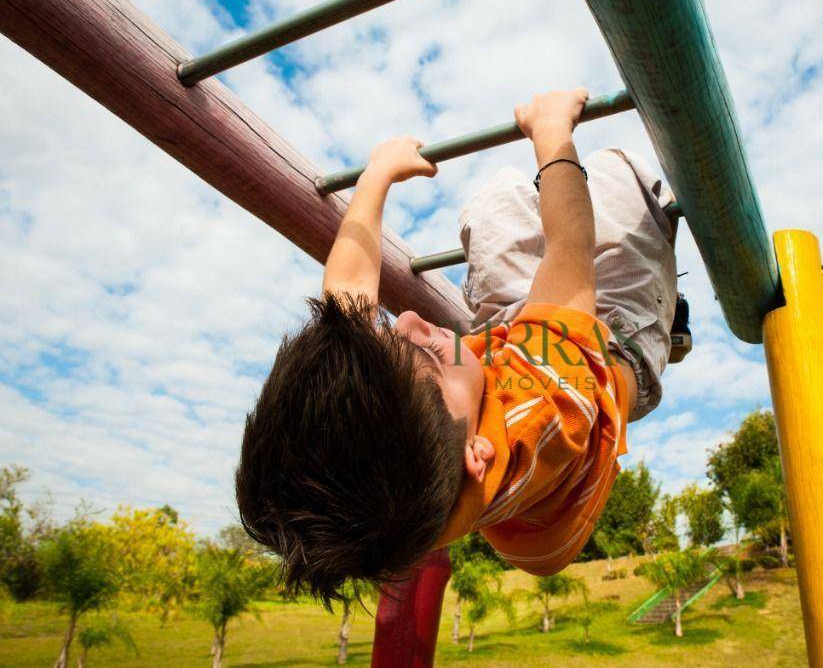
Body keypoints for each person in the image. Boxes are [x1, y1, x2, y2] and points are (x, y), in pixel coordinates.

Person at [235, 88, 678, 608]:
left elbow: (346, 291)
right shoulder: (550, 406)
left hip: (508, 346)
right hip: (609, 351)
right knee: (610, 175)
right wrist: (552, 132)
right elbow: (570, 246)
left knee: (492, 203)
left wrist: (376, 175)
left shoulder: (406, 496)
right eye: (431, 355)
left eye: (387, 332)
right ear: (478, 454)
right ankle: (671, 318)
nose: (410, 320)